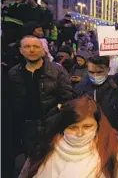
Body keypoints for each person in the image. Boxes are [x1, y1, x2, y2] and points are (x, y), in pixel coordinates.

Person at [18, 96, 118, 178]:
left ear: (98, 125)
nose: (80, 134)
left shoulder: (113, 147)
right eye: (73, 127)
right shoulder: (46, 146)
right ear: (63, 127)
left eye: (87, 126)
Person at [8, 35, 73, 168]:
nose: (32, 50)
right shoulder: (13, 73)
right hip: (24, 130)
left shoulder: (57, 71)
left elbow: (68, 97)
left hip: (51, 127)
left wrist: (58, 112)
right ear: (21, 50)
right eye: (27, 47)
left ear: (43, 50)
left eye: (36, 46)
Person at [75, 54, 118, 132]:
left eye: (99, 72)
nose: (95, 76)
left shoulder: (116, 83)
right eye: (91, 72)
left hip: (112, 133)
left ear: (108, 70)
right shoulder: (80, 87)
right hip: (88, 133)